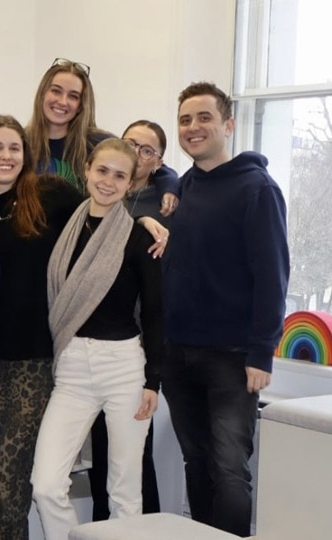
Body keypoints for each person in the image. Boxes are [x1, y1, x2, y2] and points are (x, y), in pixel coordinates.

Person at [162, 82, 289, 537]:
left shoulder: (258, 189)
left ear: (228, 124)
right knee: (196, 462)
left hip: (232, 358)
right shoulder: (188, 183)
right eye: (185, 119)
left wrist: (261, 353)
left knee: (230, 470)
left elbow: (273, 276)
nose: (193, 128)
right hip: (179, 353)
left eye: (204, 118)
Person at [31, 138, 164, 540]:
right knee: (46, 484)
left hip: (124, 369)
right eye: (102, 170)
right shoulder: (62, 226)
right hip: (71, 368)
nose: (108, 181)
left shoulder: (140, 239)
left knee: (124, 491)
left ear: (130, 184)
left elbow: (157, 313)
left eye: (119, 175)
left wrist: (152, 382)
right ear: (86, 170)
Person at [0, 114, 84, 539]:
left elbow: (102, 219)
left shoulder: (51, 194)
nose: (6, 156)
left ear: (26, 155)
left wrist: (145, 220)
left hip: (35, 361)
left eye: (14, 147)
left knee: (10, 477)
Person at [88, 120, 180, 521]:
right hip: (91, 350)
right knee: (102, 459)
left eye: (148, 150)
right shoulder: (102, 197)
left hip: (134, 348)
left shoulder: (165, 201)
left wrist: (151, 373)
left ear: (157, 161)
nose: (137, 153)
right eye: (130, 144)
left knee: (131, 465)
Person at [23, 58, 111, 193]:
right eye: (56, 91)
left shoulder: (99, 144)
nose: (63, 102)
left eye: (73, 96)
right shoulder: (20, 142)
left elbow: (140, 164)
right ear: (42, 94)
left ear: (81, 105)